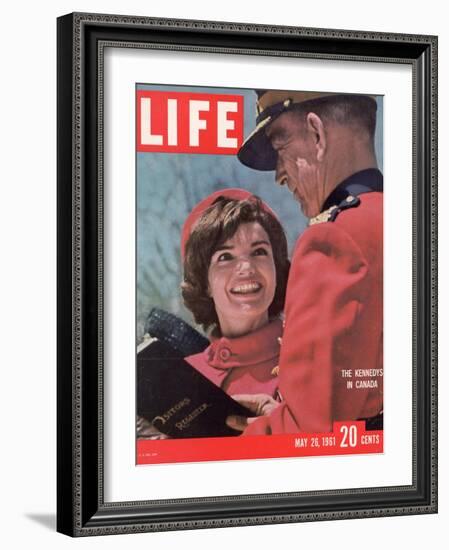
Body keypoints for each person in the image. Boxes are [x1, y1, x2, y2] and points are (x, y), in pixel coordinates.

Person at [227, 90, 383, 434]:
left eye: (280, 149)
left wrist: (219, 440)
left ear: (317, 134)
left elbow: (308, 436)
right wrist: (283, 409)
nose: (279, 176)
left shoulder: (333, 240)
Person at [181, 188, 290, 401]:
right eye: (225, 257)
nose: (246, 268)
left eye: (259, 252)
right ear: (205, 283)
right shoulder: (182, 378)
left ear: (276, 269)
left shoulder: (311, 356)